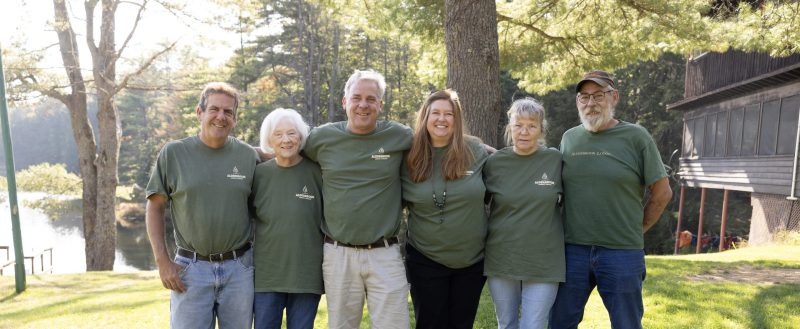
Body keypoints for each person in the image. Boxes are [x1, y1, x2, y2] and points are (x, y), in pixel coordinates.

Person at [548, 70, 673, 329]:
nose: (590, 103)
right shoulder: (569, 138)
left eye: (598, 95)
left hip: (622, 252)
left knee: (626, 324)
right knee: (560, 322)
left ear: (613, 97)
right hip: (572, 251)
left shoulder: (636, 137)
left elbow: (662, 192)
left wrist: (639, 229)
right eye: (584, 97)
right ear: (577, 101)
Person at [303, 69, 413, 329]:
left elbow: (440, 142)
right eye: (357, 97)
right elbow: (284, 150)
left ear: (380, 105)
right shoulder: (321, 138)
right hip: (338, 253)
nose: (363, 104)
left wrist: (487, 151)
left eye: (371, 99)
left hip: (385, 253)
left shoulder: (399, 136)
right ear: (345, 101)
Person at [145, 82, 258, 329]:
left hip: (239, 269)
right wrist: (163, 262)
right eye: (214, 109)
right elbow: (155, 207)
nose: (221, 116)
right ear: (199, 112)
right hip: (190, 270)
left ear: (235, 119)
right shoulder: (173, 154)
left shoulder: (248, 156)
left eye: (228, 112)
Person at [401, 89, 489, 329]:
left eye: (448, 114)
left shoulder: (476, 151)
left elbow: (503, 170)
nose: (442, 119)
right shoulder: (407, 156)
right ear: (425, 117)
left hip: (471, 261)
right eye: (436, 113)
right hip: (425, 259)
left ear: (456, 119)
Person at [483, 98, 564, 329]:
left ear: (541, 129)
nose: (525, 132)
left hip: (544, 262)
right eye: (518, 125)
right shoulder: (495, 163)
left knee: (533, 326)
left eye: (532, 125)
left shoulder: (555, 160)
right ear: (510, 128)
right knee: (506, 324)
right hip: (502, 258)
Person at [251, 108, 324, 329]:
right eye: (278, 134)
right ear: (269, 140)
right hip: (267, 277)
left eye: (292, 133)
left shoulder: (318, 172)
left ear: (301, 137)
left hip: (307, 276)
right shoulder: (259, 175)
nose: (286, 140)